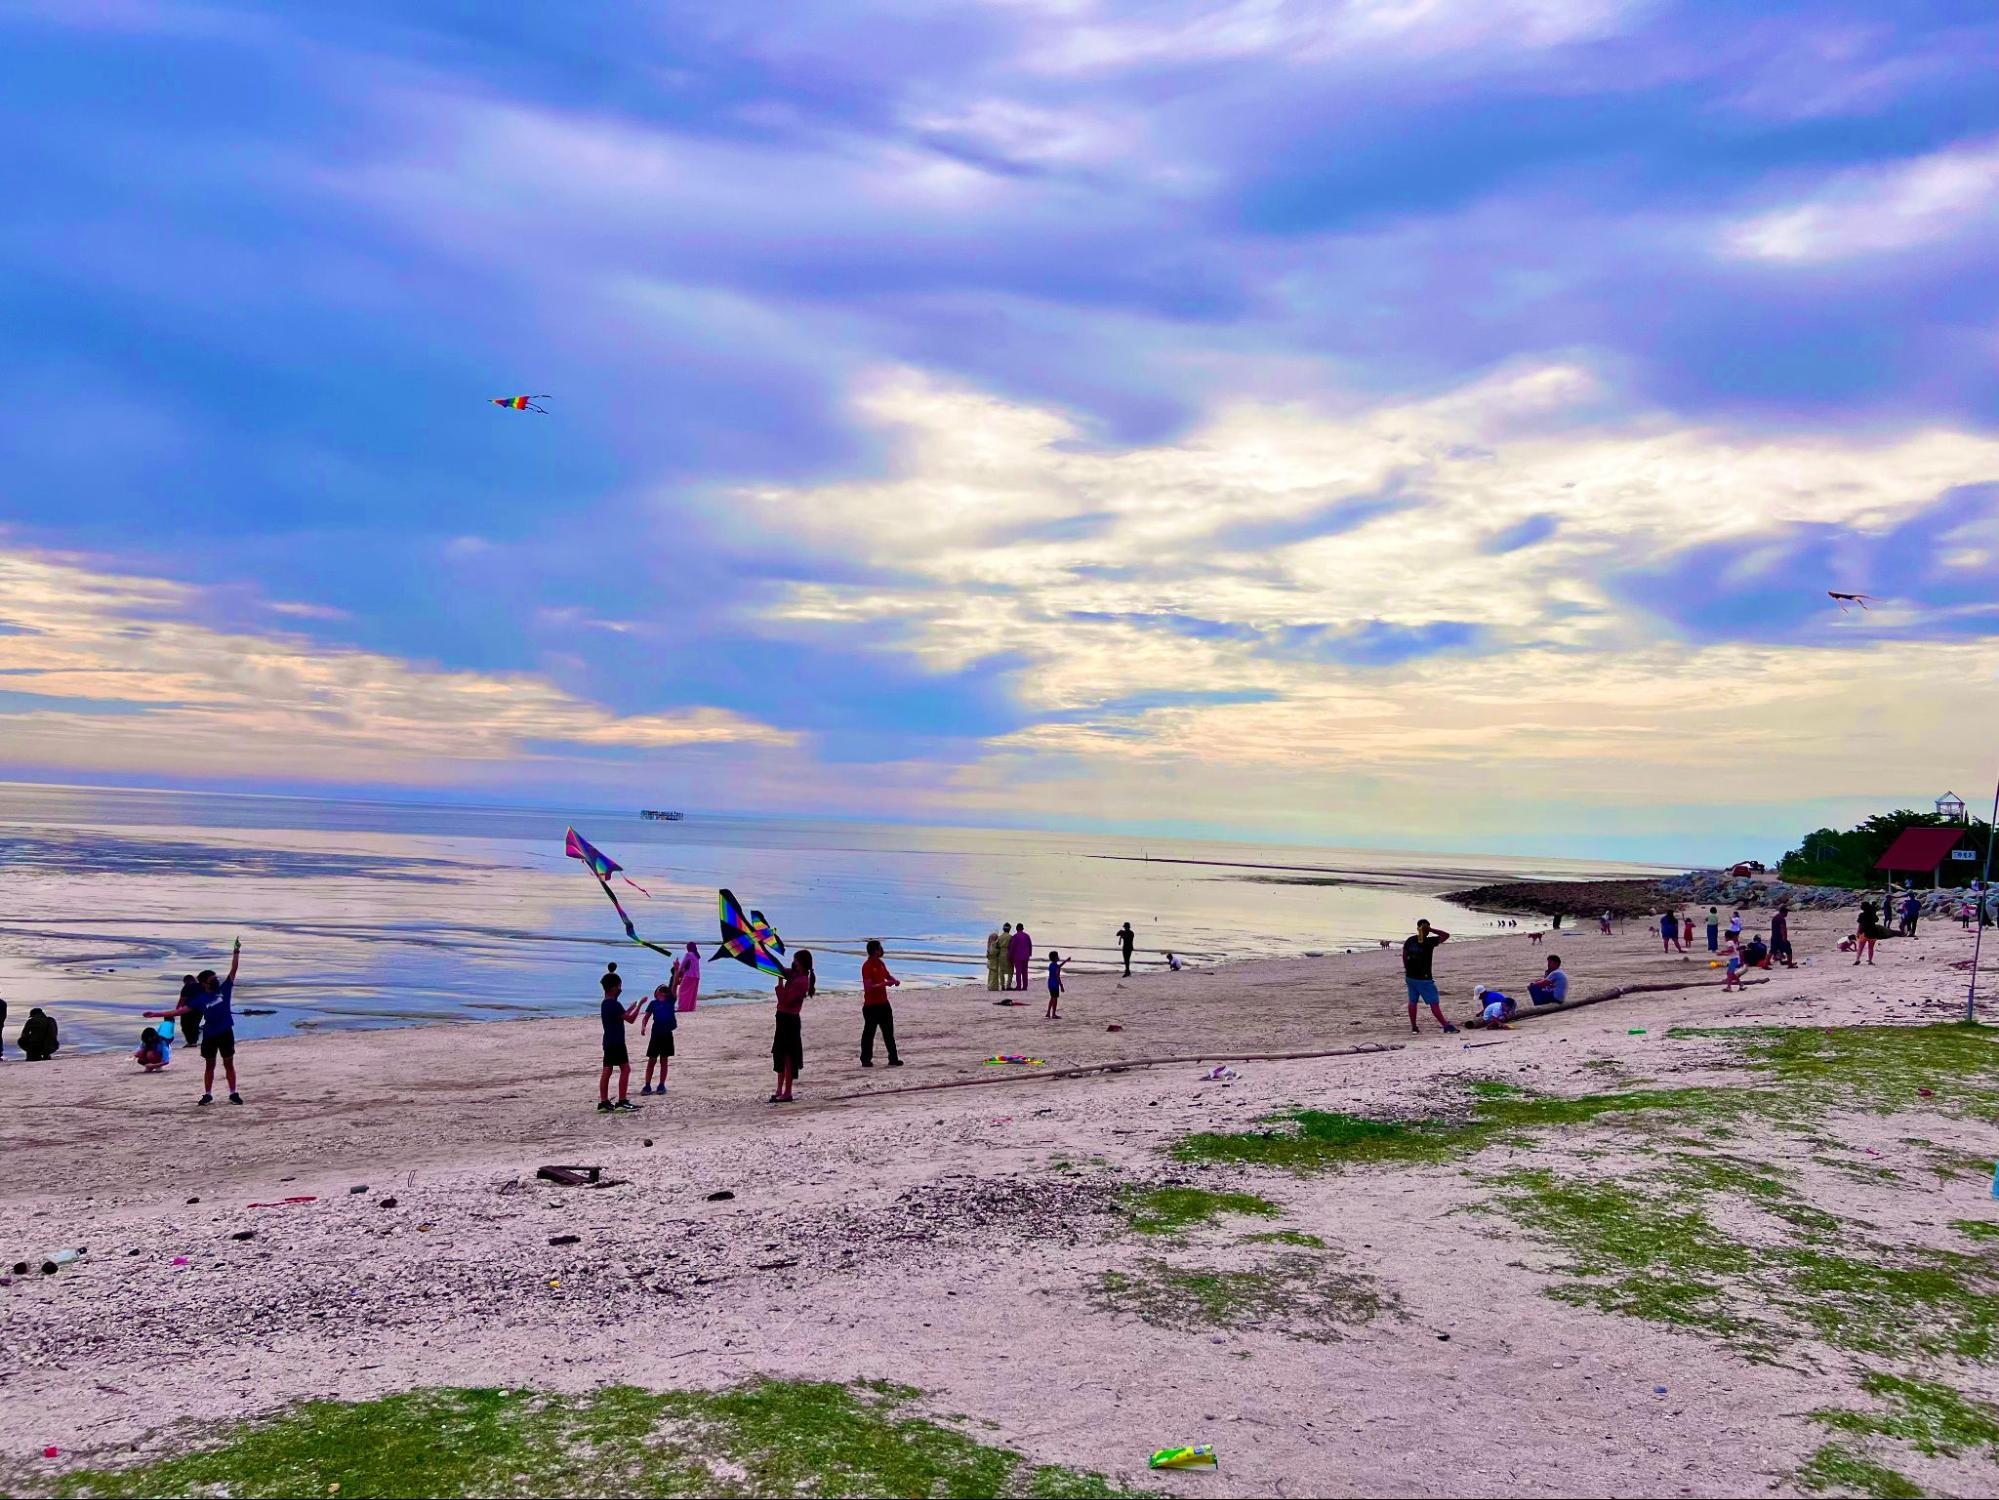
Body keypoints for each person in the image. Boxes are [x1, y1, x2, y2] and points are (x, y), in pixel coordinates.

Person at [146, 940, 242, 1105]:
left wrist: (236, 951)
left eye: (215, 977)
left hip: (226, 1032)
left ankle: (233, 1093)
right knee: (210, 1065)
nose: (216, 980)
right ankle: (208, 1094)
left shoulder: (224, 989)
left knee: (228, 1063)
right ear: (204, 983)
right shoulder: (200, 999)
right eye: (212, 979)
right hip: (210, 1034)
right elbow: (179, 1011)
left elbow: (233, 969)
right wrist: (156, 1014)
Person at [597, 964, 643, 1113]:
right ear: (613, 988)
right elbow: (630, 1019)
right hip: (617, 1042)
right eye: (619, 986)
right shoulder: (614, 1004)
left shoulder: (606, 1004)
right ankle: (622, 1101)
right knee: (625, 1069)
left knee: (607, 1070)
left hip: (608, 1041)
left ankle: (603, 1102)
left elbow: (621, 1016)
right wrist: (639, 1006)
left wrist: (629, 1008)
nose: (620, 989)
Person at [771, 950, 814, 1103]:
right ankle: (778, 1089)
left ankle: (787, 1092)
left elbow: (786, 1000)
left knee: (788, 1057)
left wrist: (780, 984)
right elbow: (781, 969)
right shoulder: (795, 975)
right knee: (779, 1054)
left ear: (801, 963)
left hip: (790, 1020)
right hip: (782, 1018)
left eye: (796, 960)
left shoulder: (802, 981)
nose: (793, 963)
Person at [1402, 919, 1458, 1035]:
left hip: (1410, 977)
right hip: (1424, 978)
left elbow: (1404, 955)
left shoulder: (1411, 940)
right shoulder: (1429, 942)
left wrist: (1407, 969)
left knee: (1413, 1001)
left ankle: (1414, 1026)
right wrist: (1430, 929)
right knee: (1434, 1002)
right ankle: (1445, 1025)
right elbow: (1446, 935)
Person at [859, 939, 902, 1067]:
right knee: (869, 1033)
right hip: (871, 1006)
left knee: (889, 1032)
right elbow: (868, 987)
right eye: (880, 948)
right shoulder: (867, 966)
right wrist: (883, 984)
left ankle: (893, 1058)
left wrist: (894, 980)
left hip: (883, 1003)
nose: (882, 950)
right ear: (875, 951)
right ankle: (865, 1059)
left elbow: (887, 976)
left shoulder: (881, 963)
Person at [639, 980, 676, 1096]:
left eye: (665, 990)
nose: (663, 990)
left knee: (664, 1060)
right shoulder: (653, 1003)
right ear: (656, 992)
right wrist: (643, 1027)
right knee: (652, 1060)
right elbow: (646, 1017)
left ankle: (661, 1084)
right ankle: (647, 1084)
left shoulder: (670, 1002)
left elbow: (674, 986)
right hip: (656, 1035)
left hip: (667, 1035)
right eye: (661, 989)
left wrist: (676, 970)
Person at [174, 974, 202, 1047]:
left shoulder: (187, 986)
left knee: (185, 1026)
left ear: (186, 981)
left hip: (188, 1009)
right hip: (199, 1009)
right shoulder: (200, 986)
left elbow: (183, 999)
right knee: (195, 1025)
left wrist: (177, 1010)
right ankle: (194, 1041)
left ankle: (191, 1042)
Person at [1853, 902, 1883, 966]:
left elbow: (1860, 925)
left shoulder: (1861, 915)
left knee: (1860, 947)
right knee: (1871, 948)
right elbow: (1876, 920)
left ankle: (1857, 959)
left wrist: (1858, 932)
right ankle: (1870, 961)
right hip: (1873, 933)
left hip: (1863, 933)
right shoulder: (1872, 914)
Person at [676, 942, 702, 1012]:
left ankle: (682, 1008)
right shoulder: (697, 956)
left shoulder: (688, 954)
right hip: (696, 976)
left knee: (682, 991)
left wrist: (678, 972)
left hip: (689, 975)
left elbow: (682, 965)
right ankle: (690, 1007)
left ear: (689, 948)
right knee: (692, 993)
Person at [1009, 921, 1032, 992]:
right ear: (1023, 928)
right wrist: (1029, 954)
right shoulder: (1027, 936)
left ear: (1016, 929)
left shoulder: (1015, 937)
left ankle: (1018, 986)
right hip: (1025, 956)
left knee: (1018, 972)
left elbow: (1012, 947)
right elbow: (1030, 946)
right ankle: (1025, 986)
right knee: (1025, 971)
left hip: (1018, 956)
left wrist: (1010, 956)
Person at [1770, 903, 1795, 968]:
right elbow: (1782, 929)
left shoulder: (1775, 918)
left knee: (1772, 951)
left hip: (1774, 937)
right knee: (1789, 950)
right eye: (1786, 912)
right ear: (1784, 912)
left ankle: (1765, 964)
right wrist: (1784, 938)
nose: (1787, 914)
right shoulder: (1781, 919)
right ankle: (1790, 964)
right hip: (1780, 938)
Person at [1045, 951, 1069, 1019]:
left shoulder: (1051, 965)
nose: (1058, 957)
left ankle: (1048, 1012)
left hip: (1050, 983)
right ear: (1055, 958)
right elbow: (1057, 976)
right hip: (1055, 984)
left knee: (1052, 998)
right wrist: (1061, 986)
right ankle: (1053, 1014)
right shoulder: (1056, 966)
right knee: (1055, 999)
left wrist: (1066, 961)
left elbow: (1059, 966)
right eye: (1057, 956)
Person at [987, 925, 1007, 991]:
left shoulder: (990, 945)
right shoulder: (994, 944)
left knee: (992, 975)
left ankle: (991, 986)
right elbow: (993, 952)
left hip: (991, 961)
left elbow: (989, 953)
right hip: (994, 961)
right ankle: (993, 987)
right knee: (994, 975)